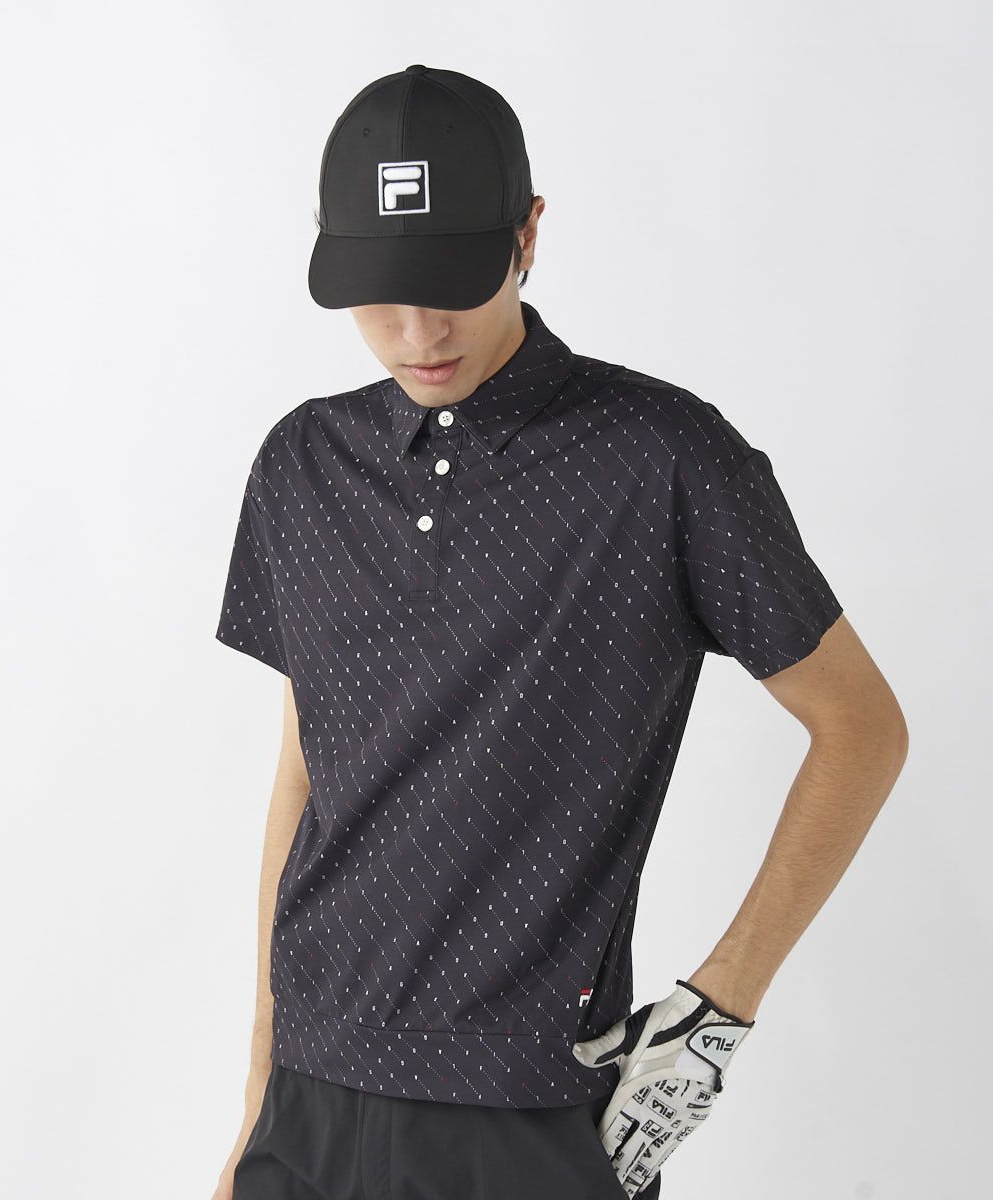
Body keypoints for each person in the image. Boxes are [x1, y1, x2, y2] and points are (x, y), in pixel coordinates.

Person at [211, 65, 908, 1200]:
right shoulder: (302, 462)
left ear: (528, 234)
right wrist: (258, 1082)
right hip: (310, 1095)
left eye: (451, 284)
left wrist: (717, 1012)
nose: (417, 333)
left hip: (531, 1113)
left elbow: (862, 727)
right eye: (381, 295)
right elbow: (306, 769)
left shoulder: (662, 455)